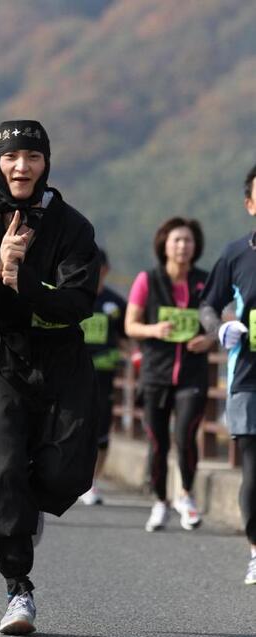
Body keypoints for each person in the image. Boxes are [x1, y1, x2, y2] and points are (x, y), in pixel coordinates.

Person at [0, 120, 100, 635]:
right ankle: (18, 589)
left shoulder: (73, 227)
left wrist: (22, 280)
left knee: (69, 472)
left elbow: (77, 303)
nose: (21, 167)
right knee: (2, 473)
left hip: (60, 360)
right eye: (12, 157)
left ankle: (28, 509)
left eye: (32, 157)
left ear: (46, 162)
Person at [125, 217, 214, 532]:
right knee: (157, 442)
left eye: (188, 240)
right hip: (156, 374)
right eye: (176, 240)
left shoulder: (204, 283)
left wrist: (209, 339)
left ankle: (186, 496)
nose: (182, 246)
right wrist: (154, 329)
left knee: (186, 435)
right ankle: (160, 501)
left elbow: (216, 322)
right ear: (164, 243)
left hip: (192, 375)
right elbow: (130, 325)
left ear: (195, 246)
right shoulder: (148, 280)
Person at [199, 164, 256, 584]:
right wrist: (220, 328)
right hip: (248, 380)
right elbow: (207, 305)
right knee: (254, 470)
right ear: (250, 204)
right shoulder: (236, 254)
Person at [78, 248, 128, 505]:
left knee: (102, 433)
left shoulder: (116, 304)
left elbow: (127, 337)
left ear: (106, 270)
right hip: (73, 375)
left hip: (105, 377)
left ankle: (91, 483)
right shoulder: (71, 298)